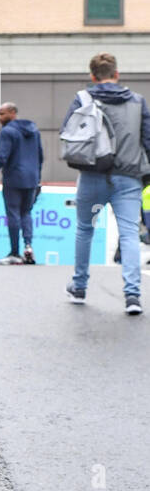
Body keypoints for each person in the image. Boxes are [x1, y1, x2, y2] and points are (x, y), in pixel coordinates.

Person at [63, 53, 150, 314]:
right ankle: (132, 295)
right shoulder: (138, 101)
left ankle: (79, 287)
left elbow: (69, 132)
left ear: (92, 76)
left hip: (92, 177)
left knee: (85, 229)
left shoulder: (83, 98)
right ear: (117, 73)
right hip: (128, 179)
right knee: (128, 233)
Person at [0, 102, 43, 264]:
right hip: (32, 178)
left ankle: (14, 252)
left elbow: (2, 157)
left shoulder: (7, 132)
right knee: (26, 213)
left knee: (13, 213)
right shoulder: (34, 130)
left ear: (13, 112)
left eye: (2, 113)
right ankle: (28, 246)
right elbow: (40, 155)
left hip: (14, 178)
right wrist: (37, 177)